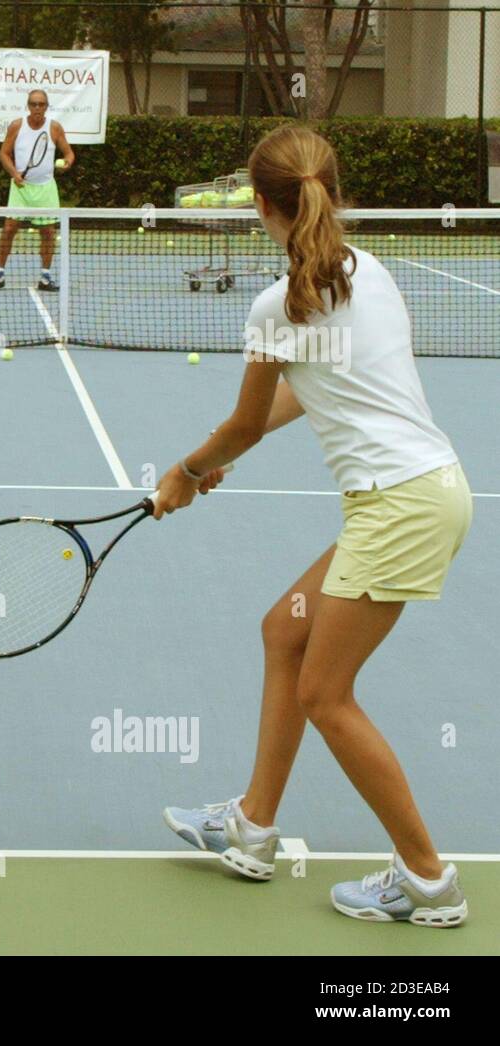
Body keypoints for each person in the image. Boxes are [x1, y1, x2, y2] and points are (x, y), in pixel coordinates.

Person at [155, 126, 472, 927]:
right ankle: (253, 827)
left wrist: (186, 473)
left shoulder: (275, 307)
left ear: (261, 204)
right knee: (285, 632)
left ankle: (428, 880)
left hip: (398, 508)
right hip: (418, 495)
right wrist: (227, 451)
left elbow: (242, 424)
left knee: (327, 695)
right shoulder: (370, 274)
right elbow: (312, 389)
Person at [0, 88, 75, 293]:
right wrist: (14, 174)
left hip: (46, 189)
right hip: (20, 189)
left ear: (46, 107)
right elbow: (4, 154)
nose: (37, 107)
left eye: (41, 104)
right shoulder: (17, 126)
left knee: (47, 233)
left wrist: (67, 163)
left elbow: (69, 153)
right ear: (28, 106)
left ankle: (45, 278)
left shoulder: (54, 128)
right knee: (9, 230)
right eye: (34, 104)